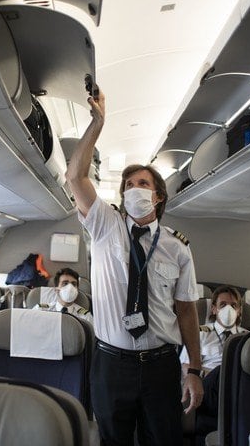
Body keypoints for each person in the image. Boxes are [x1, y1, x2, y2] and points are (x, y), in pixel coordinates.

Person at [66, 87, 203, 445]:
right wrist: (98, 123)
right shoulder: (105, 225)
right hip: (112, 364)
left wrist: (195, 369)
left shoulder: (177, 248)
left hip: (161, 363)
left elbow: (187, 312)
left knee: (165, 440)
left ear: (158, 196)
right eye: (128, 185)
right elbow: (75, 177)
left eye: (142, 184)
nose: (133, 189)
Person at [181, 286, 247, 424]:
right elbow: (186, 366)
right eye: (222, 305)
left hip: (239, 387)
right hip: (208, 386)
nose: (228, 310)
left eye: (233, 305)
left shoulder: (248, 338)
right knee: (222, 371)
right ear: (213, 309)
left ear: (239, 311)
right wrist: (217, 374)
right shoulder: (200, 334)